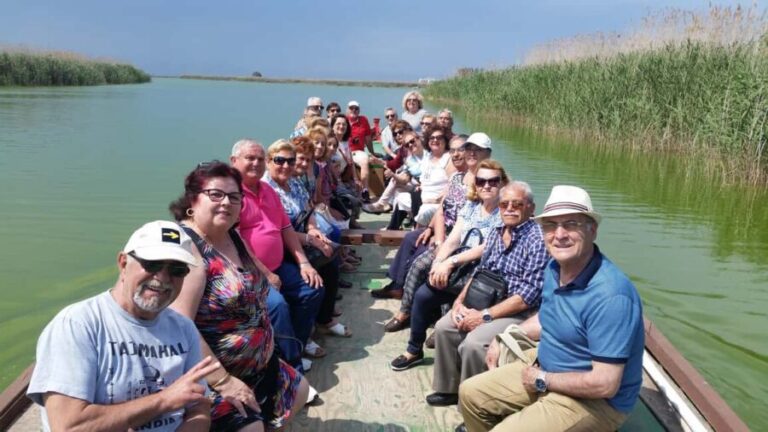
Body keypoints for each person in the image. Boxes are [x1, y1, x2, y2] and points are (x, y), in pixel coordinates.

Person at [458, 185, 644, 432]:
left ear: (593, 230)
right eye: (550, 225)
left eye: (571, 224)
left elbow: (605, 384)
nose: (559, 234)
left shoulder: (611, 296)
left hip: (592, 401)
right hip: (545, 368)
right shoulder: (555, 268)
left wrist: (543, 380)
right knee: (470, 394)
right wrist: (505, 335)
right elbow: (546, 319)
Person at [27, 220, 217, 432]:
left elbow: (199, 406)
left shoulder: (183, 327)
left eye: (177, 269)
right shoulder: (77, 325)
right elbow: (68, 426)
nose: (162, 278)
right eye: (152, 264)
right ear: (123, 263)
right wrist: (164, 400)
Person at [168, 163, 309, 431]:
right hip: (219, 378)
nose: (226, 203)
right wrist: (223, 381)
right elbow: (181, 326)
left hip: (261, 365)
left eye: (234, 197)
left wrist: (269, 276)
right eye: (215, 194)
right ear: (192, 200)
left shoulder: (231, 233)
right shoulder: (189, 251)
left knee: (298, 390)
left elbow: (253, 269)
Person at [427, 182, 548, 407]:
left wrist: (484, 316)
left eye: (517, 204)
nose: (509, 209)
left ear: (531, 208)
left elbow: (528, 296)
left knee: (474, 343)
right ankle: (449, 389)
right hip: (486, 301)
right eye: (504, 204)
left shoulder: (537, 239)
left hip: (518, 311)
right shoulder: (496, 233)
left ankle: (475, 405)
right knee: (444, 327)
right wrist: (459, 301)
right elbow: (480, 272)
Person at [389, 160, 509, 371]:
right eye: (481, 181)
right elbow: (454, 238)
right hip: (461, 267)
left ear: (502, 183)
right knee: (423, 296)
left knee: (462, 312)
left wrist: (451, 262)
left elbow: (486, 247)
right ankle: (414, 349)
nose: (487, 186)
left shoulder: (505, 212)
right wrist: (438, 262)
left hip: (484, 274)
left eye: (493, 181)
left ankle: (460, 362)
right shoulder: (472, 206)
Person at [229, 139, 324, 374]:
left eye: (260, 159)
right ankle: (293, 370)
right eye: (249, 158)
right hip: (250, 272)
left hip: (279, 266)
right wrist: (266, 273)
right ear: (234, 162)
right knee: (277, 306)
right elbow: (236, 240)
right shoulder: (231, 196)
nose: (256, 163)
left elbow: (285, 229)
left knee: (312, 289)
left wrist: (303, 262)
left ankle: (294, 345)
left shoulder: (268, 190)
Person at [372, 133, 489, 302]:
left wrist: (440, 240)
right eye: (466, 149)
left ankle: (412, 299)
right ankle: (397, 286)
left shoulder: (485, 183)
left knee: (420, 250)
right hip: (445, 230)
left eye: (472, 150)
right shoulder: (457, 177)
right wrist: (430, 228)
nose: (463, 154)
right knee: (411, 237)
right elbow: (442, 209)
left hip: (460, 237)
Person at [346, 100, 374, 202]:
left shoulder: (363, 120)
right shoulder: (342, 120)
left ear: (359, 110)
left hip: (357, 152)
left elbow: (368, 139)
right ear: (347, 109)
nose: (353, 110)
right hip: (344, 150)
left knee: (365, 159)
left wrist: (372, 152)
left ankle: (365, 190)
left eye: (356, 108)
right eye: (351, 108)